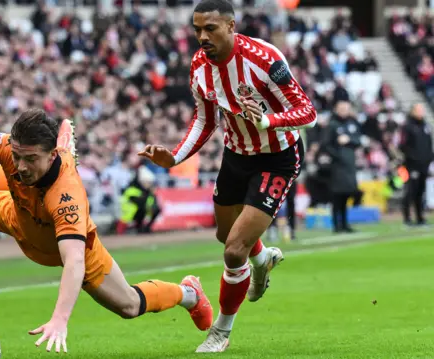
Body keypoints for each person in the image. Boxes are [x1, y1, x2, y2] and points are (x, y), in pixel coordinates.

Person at [0, 108, 213, 353]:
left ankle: (188, 294)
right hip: (18, 216)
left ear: (49, 155)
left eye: (30, 158)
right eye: (16, 155)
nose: (20, 165)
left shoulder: (68, 195)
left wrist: (59, 319)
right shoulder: (11, 148)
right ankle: (49, 163)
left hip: (70, 245)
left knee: (129, 306)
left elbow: (74, 262)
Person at [138, 0, 316, 352]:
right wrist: (174, 156)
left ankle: (221, 329)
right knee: (225, 235)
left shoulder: (264, 59)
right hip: (236, 155)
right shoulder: (199, 66)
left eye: (210, 29)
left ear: (231, 26)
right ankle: (262, 259)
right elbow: (205, 120)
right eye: (197, 29)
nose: (202, 36)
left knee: (235, 251)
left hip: (277, 157)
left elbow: (307, 111)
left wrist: (268, 120)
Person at [320, 100, 361, 233]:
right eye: (342, 108)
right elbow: (325, 144)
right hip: (337, 166)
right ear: (336, 109)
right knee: (337, 196)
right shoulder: (332, 125)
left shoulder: (352, 124)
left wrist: (348, 140)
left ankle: (344, 223)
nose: (344, 111)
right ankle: (336, 225)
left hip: (349, 165)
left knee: (346, 195)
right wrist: (337, 155)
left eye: (346, 108)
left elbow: (358, 140)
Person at [399, 102, 434, 227]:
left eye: (422, 110)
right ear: (413, 111)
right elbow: (403, 145)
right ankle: (407, 218)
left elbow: (429, 144)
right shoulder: (407, 126)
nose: (421, 112)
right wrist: (413, 159)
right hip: (411, 165)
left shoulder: (425, 125)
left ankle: (420, 218)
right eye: (419, 110)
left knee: (420, 192)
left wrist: (429, 158)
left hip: (424, 165)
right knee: (410, 191)